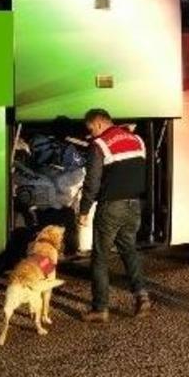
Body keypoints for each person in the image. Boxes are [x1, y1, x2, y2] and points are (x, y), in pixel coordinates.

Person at [77, 108, 151, 322]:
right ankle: (142, 297)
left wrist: (83, 210)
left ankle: (100, 308)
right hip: (134, 205)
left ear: (99, 124)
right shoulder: (137, 140)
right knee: (129, 251)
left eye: (90, 129)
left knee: (100, 257)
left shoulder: (99, 145)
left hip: (111, 207)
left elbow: (92, 181)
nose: (91, 134)